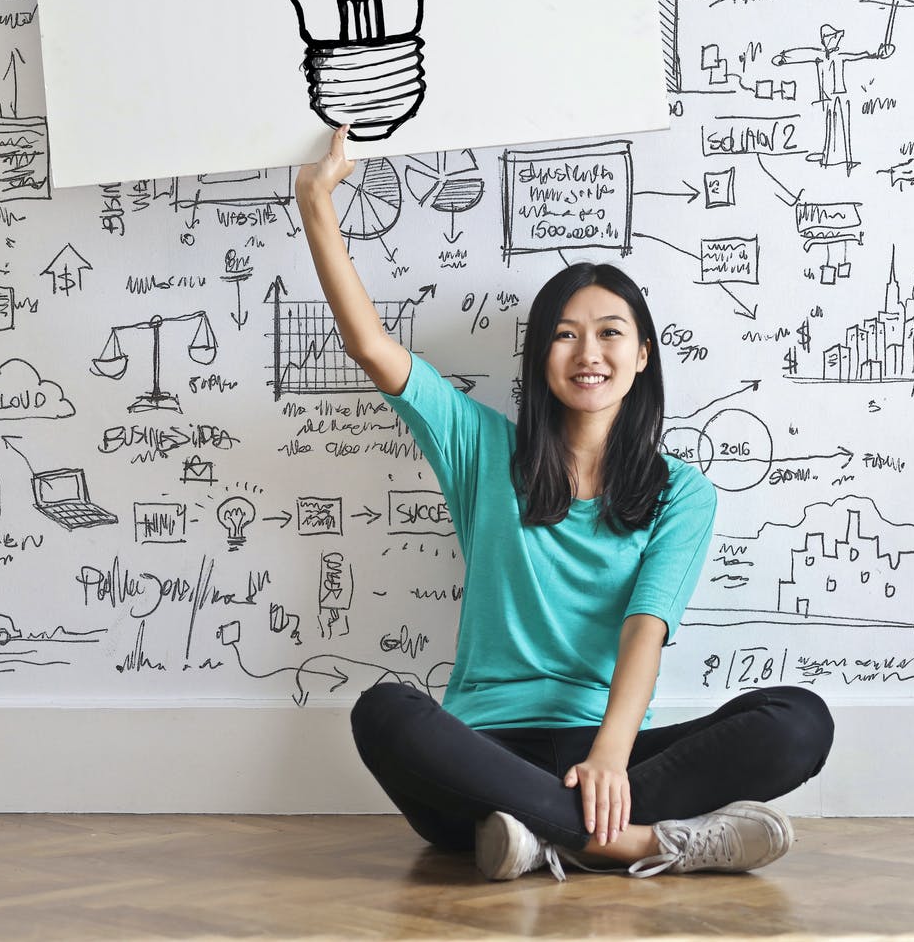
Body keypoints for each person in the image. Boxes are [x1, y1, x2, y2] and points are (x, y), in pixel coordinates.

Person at [295, 126, 834, 881]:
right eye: (564, 336)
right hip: (480, 752)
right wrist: (314, 199)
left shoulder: (682, 491)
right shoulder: (480, 450)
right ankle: (639, 844)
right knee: (384, 712)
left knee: (797, 721)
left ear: (641, 353)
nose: (588, 354)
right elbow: (370, 345)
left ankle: (534, 836)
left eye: (610, 333)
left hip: (607, 750)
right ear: (538, 358)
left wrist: (610, 755)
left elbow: (645, 629)